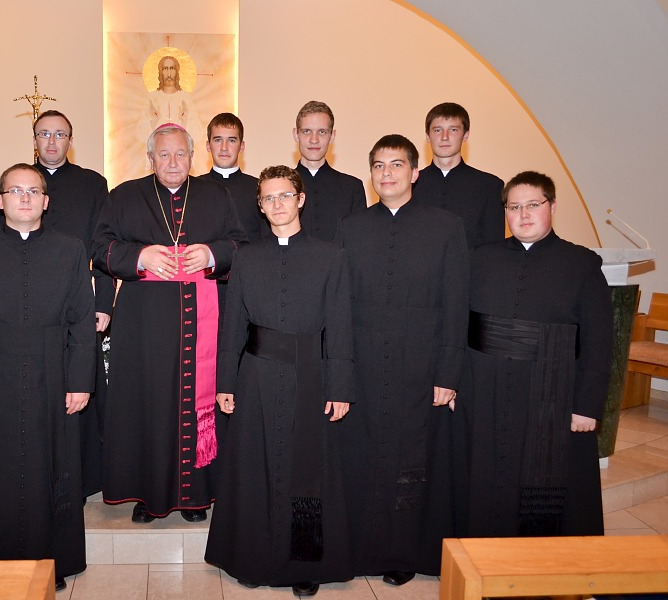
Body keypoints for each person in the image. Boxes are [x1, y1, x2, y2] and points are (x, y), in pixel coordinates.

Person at [205, 166, 354, 598]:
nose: (277, 204)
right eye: (268, 198)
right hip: (256, 374)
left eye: (285, 195)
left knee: (308, 471)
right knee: (253, 467)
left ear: (300, 199)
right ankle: (250, 558)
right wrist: (225, 383)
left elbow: (340, 326)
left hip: (311, 372)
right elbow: (233, 324)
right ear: (260, 205)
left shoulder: (331, 256)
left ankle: (305, 562)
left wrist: (340, 387)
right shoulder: (247, 256)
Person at [0, 163, 96, 590]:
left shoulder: (70, 249)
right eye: (15, 191)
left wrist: (80, 380)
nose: (25, 198)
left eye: (33, 191)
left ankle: (51, 560)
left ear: (46, 202)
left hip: (53, 372)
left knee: (50, 465)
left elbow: (82, 320)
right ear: (0, 201)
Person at [92, 123, 247, 523]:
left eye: (180, 154)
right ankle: (149, 496)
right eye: (164, 155)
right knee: (148, 404)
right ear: (151, 158)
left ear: (193, 157)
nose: (173, 162)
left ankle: (195, 496)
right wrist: (140, 257)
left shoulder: (216, 195)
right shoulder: (124, 195)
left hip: (203, 320)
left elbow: (241, 246)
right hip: (143, 326)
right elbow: (99, 247)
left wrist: (211, 255)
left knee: (198, 402)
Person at [335, 134, 468, 585]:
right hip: (364, 367)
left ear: (415, 172)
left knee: (410, 462)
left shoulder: (446, 227)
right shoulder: (350, 227)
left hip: (420, 367)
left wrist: (448, 373)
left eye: (396, 164)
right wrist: (340, 372)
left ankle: (402, 554)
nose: (386, 173)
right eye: (378, 165)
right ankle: (359, 549)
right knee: (362, 457)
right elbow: (339, 306)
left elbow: (456, 305)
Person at [454, 171, 612, 539]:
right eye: (514, 207)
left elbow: (599, 340)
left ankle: (540, 561)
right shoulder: (480, 258)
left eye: (533, 205)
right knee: (486, 477)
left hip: (552, 393)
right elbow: (459, 325)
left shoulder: (582, 263)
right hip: (485, 393)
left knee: (543, 487)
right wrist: (454, 382)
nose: (523, 214)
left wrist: (587, 406)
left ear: (552, 207)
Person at [33, 109, 111, 498]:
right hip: (29, 306)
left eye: (60, 134)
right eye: (44, 134)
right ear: (34, 140)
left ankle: (82, 478)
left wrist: (105, 302)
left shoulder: (93, 184)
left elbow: (104, 245)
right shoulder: (21, 183)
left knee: (81, 387)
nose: (52, 141)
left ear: (70, 140)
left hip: (80, 301)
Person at [413, 102, 504, 249]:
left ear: (465, 135)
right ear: (427, 136)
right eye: (437, 130)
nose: (444, 137)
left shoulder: (490, 186)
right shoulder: (409, 185)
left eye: (453, 130)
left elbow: (493, 249)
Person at [292, 101, 366, 242]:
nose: (314, 140)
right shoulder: (281, 187)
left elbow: (359, 242)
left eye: (322, 132)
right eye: (306, 131)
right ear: (296, 134)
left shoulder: (352, 188)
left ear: (332, 136)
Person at [199, 113, 266, 243]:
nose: (224, 148)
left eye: (231, 140)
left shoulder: (259, 188)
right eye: (218, 140)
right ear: (208, 145)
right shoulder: (192, 189)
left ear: (242, 146)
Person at [137, 55, 202, 142]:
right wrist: (153, 122)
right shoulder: (152, 98)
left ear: (177, 71)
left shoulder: (186, 98)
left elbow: (198, 134)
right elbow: (140, 134)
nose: (169, 74)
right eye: (165, 68)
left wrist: (185, 121)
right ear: (160, 72)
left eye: (172, 68)